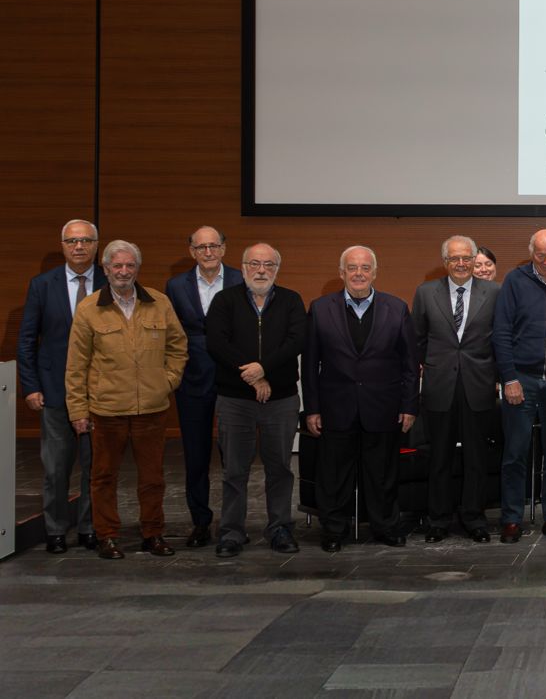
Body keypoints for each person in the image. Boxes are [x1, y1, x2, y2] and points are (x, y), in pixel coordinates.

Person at [64, 240, 188, 559]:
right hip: (106, 410)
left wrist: (167, 382)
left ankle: (153, 534)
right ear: (105, 269)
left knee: (153, 477)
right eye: (117, 266)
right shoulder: (89, 309)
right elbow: (76, 364)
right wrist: (78, 410)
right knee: (103, 477)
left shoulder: (159, 303)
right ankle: (107, 536)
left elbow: (178, 347)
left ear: (137, 268)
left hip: (152, 408)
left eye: (129, 265)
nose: (123, 271)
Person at [303, 245, 419, 552]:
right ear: (341, 273)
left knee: (382, 474)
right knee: (334, 475)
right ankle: (333, 530)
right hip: (335, 407)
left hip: (384, 407)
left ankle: (386, 526)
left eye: (365, 268)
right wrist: (312, 408)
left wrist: (409, 406)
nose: (359, 273)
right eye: (352, 268)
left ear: (375, 273)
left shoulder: (396, 308)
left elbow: (410, 363)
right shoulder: (319, 308)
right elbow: (310, 364)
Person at [205, 244, 306, 556]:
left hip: (281, 399)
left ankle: (280, 530)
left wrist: (265, 370)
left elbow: (296, 341)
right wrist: (253, 375)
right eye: (255, 264)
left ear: (277, 268)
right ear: (243, 266)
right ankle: (232, 532)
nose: (261, 270)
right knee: (235, 470)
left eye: (268, 264)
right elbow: (217, 343)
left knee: (280, 468)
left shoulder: (291, 300)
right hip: (235, 398)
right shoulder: (225, 300)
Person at [17, 218, 105, 553]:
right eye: (72, 241)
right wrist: (31, 386)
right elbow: (27, 340)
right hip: (53, 392)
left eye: (85, 240)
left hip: (99, 390)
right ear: (63, 245)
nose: (79, 247)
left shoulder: (111, 279)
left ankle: (89, 528)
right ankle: (54, 530)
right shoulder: (42, 284)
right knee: (56, 469)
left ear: (97, 245)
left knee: (95, 467)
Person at [412, 235, 500, 543]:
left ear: (475, 260)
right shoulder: (425, 293)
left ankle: (474, 518)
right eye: (454, 259)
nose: (460, 264)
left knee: (476, 457)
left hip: (479, 385)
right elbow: (418, 340)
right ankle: (438, 519)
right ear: (445, 262)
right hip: (439, 386)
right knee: (439, 457)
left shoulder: (494, 292)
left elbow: (500, 339)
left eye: (466, 258)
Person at [492, 228, 546, 543]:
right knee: (515, 452)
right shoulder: (515, 281)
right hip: (521, 380)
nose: (545, 260)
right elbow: (501, 332)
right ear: (532, 252)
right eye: (539, 254)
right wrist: (508, 377)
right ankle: (512, 518)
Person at [164, 226, 243, 549]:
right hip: (192, 379)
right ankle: (200, 521)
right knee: (196, 456)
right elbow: (172, 332)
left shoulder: (241, 279)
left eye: (214, 246)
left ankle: (233, 523)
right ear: (192, 251)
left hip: (233, 379)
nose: (208, 252)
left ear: (224, 248)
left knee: (233, 457)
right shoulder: (175, 285)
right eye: (201, 247)